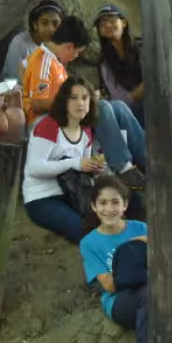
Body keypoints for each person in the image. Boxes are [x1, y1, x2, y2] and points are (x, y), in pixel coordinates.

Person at [21, 13, 147, 187]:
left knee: (118, 106)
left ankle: (149, 160)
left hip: (65, 115)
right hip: (44, 121)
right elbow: (38, 103)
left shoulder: (57, 63)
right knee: (101, 107)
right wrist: (80, 102)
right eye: (78, 53)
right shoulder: (43, 61)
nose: (76, 57)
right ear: (70, 47)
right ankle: (123, 168)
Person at [79, 176, 151, 343]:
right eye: (102, 203)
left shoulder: (141, 229)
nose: (109, 209)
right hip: (119, 301)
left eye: (115, 202)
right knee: (150, 293)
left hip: (152, 290)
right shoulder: (90, 243)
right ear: (93, 206)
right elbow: (109, 286)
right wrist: (128, 255)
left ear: (125, 205)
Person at [22, 76, 107, 244]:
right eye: (73, 98)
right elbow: (34, 168)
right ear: (64, 101)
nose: (80, 103)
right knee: (84, 232)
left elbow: (83, 172)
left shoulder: (86, 130)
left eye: (85, 98)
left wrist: (95, 168)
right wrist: (74, 163)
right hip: (42, 198)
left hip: (73, 195)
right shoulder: (49, 126)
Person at [95, 4, 144, 124]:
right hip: (129, 107)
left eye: (111, 20)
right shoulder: (104, 61)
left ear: (124, 23)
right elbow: (119, 96)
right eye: (102, 24)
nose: (107, 25)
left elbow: (154, 78)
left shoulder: (142, 46)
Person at [2, 0, 64, 82]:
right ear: (35, 24)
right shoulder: (20, 42)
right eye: (44, 23)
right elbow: (13, 78)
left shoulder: (48, 48)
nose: (50, 29)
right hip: (6, 88)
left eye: (55, 24)